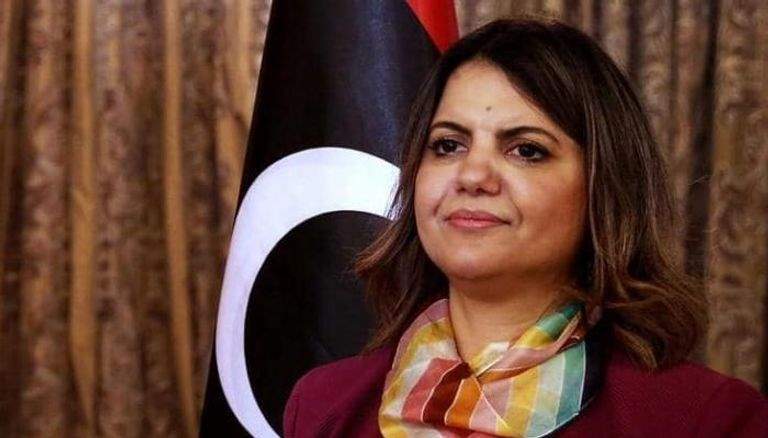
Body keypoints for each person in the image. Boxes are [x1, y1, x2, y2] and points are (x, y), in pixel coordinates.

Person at [282, 17, 768, 437]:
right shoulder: (324, 406)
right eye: (448, 145)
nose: (473, 175)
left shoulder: (705, 419)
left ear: (603, 187)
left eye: (526, 150)